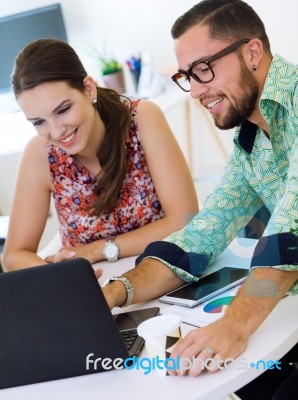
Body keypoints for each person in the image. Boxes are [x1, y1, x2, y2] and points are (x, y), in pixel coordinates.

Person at [102, 0, 298, 389]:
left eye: (203, 70)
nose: (194, 91)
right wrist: (114, 292)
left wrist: (232, 326)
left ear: (253, 53)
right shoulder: (251, 138)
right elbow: (201, 235)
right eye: (186, 77)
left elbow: (288, 237)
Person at [1, 38, 198, 271]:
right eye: (39, 121)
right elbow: (14, 256)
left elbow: (184, 220)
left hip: (163, 271)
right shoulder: (40, 153)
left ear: (89, 88)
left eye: (63, 110)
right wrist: (64, 277)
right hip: (93, 291)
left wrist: (98, 250)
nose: (56, 131)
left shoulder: (142, 119)